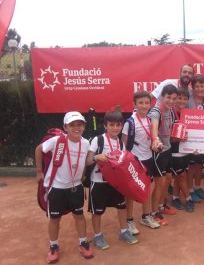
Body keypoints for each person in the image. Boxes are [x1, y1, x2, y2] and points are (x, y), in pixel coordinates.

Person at [35, 111, 93, 263]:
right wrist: (39, 171)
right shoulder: (57, 141)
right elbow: (38, 150)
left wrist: (82, 176)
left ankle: (83, 242)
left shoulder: (86, 143)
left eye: (79, 124)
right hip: (57, 188)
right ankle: (53, 246)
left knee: (79, 216)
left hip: (76, 187)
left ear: (84, 126)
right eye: (72, 125)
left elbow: (83, 163)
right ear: (65, 127)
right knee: (55, 219)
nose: (76, 128)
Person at [86, 110, 138, 250]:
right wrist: (97, 157)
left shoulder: (121, 144)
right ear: (105, 125)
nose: (115, 128)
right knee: (97, 211)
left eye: (118, 125)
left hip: (116, 183)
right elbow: (87, 160)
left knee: (121, 207)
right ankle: (97, 236)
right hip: (98, 182)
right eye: (112, 124)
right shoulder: (98, 140)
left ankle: (123, 232)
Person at [122, 91, 161, 231]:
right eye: (141, 103)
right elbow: (124, 145)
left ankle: (146, 216)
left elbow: (151, 139)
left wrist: (156, 145)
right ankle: (129, 220)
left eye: (146, 103)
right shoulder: (130, 122)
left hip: (148, 159)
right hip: (134, 161)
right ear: (134, 104)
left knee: (147, 188)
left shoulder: (150, 120)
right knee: (131, 192)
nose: (144, 106)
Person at [148, 84, 178, 225]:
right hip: (158, 151)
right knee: (159, 183)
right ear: (162, 97)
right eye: (168, 98)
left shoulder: (171, 111)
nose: (171, 101)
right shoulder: (156, 111)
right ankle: (154, 213)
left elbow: (170, 131)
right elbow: (154, 128)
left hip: (168, 149)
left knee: (168, 179)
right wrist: (156, 139)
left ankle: (161, 205)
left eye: (173, 98)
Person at [170, 88, 195, 213]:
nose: (182, 101)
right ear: (175, 99)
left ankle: (175, 198)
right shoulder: (170, 113)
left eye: (185, 99)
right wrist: (176, 138)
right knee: (181, 176)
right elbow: (166, 136)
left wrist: (196, 146)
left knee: (179, 176)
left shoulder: (188, 113)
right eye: (179, 98)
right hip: (174, 150)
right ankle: (189, 199)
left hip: (185, 149)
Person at [187, 75, 204, 203]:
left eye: (202, 86)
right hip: (190, 139)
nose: (200, 89)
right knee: (191, 167)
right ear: (192, 88)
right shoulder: (187, 100)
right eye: (197, 86)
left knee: (200, 165)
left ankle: (197, 186)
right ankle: (189, 189)